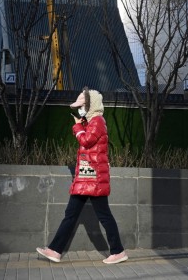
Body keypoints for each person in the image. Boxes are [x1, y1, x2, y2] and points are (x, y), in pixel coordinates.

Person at [36, 87, 128, 265]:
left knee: (103, 216)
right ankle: (55, 250)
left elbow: (86, 141)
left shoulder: (98, 121)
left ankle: (118, 251)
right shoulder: (92, 122)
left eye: (83, 106)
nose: (80, 109)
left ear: (91, 105)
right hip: (87, 177)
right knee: (71, 215)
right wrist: (82, 124)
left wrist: (78, 126)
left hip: (92, 178)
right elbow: (88, 144)